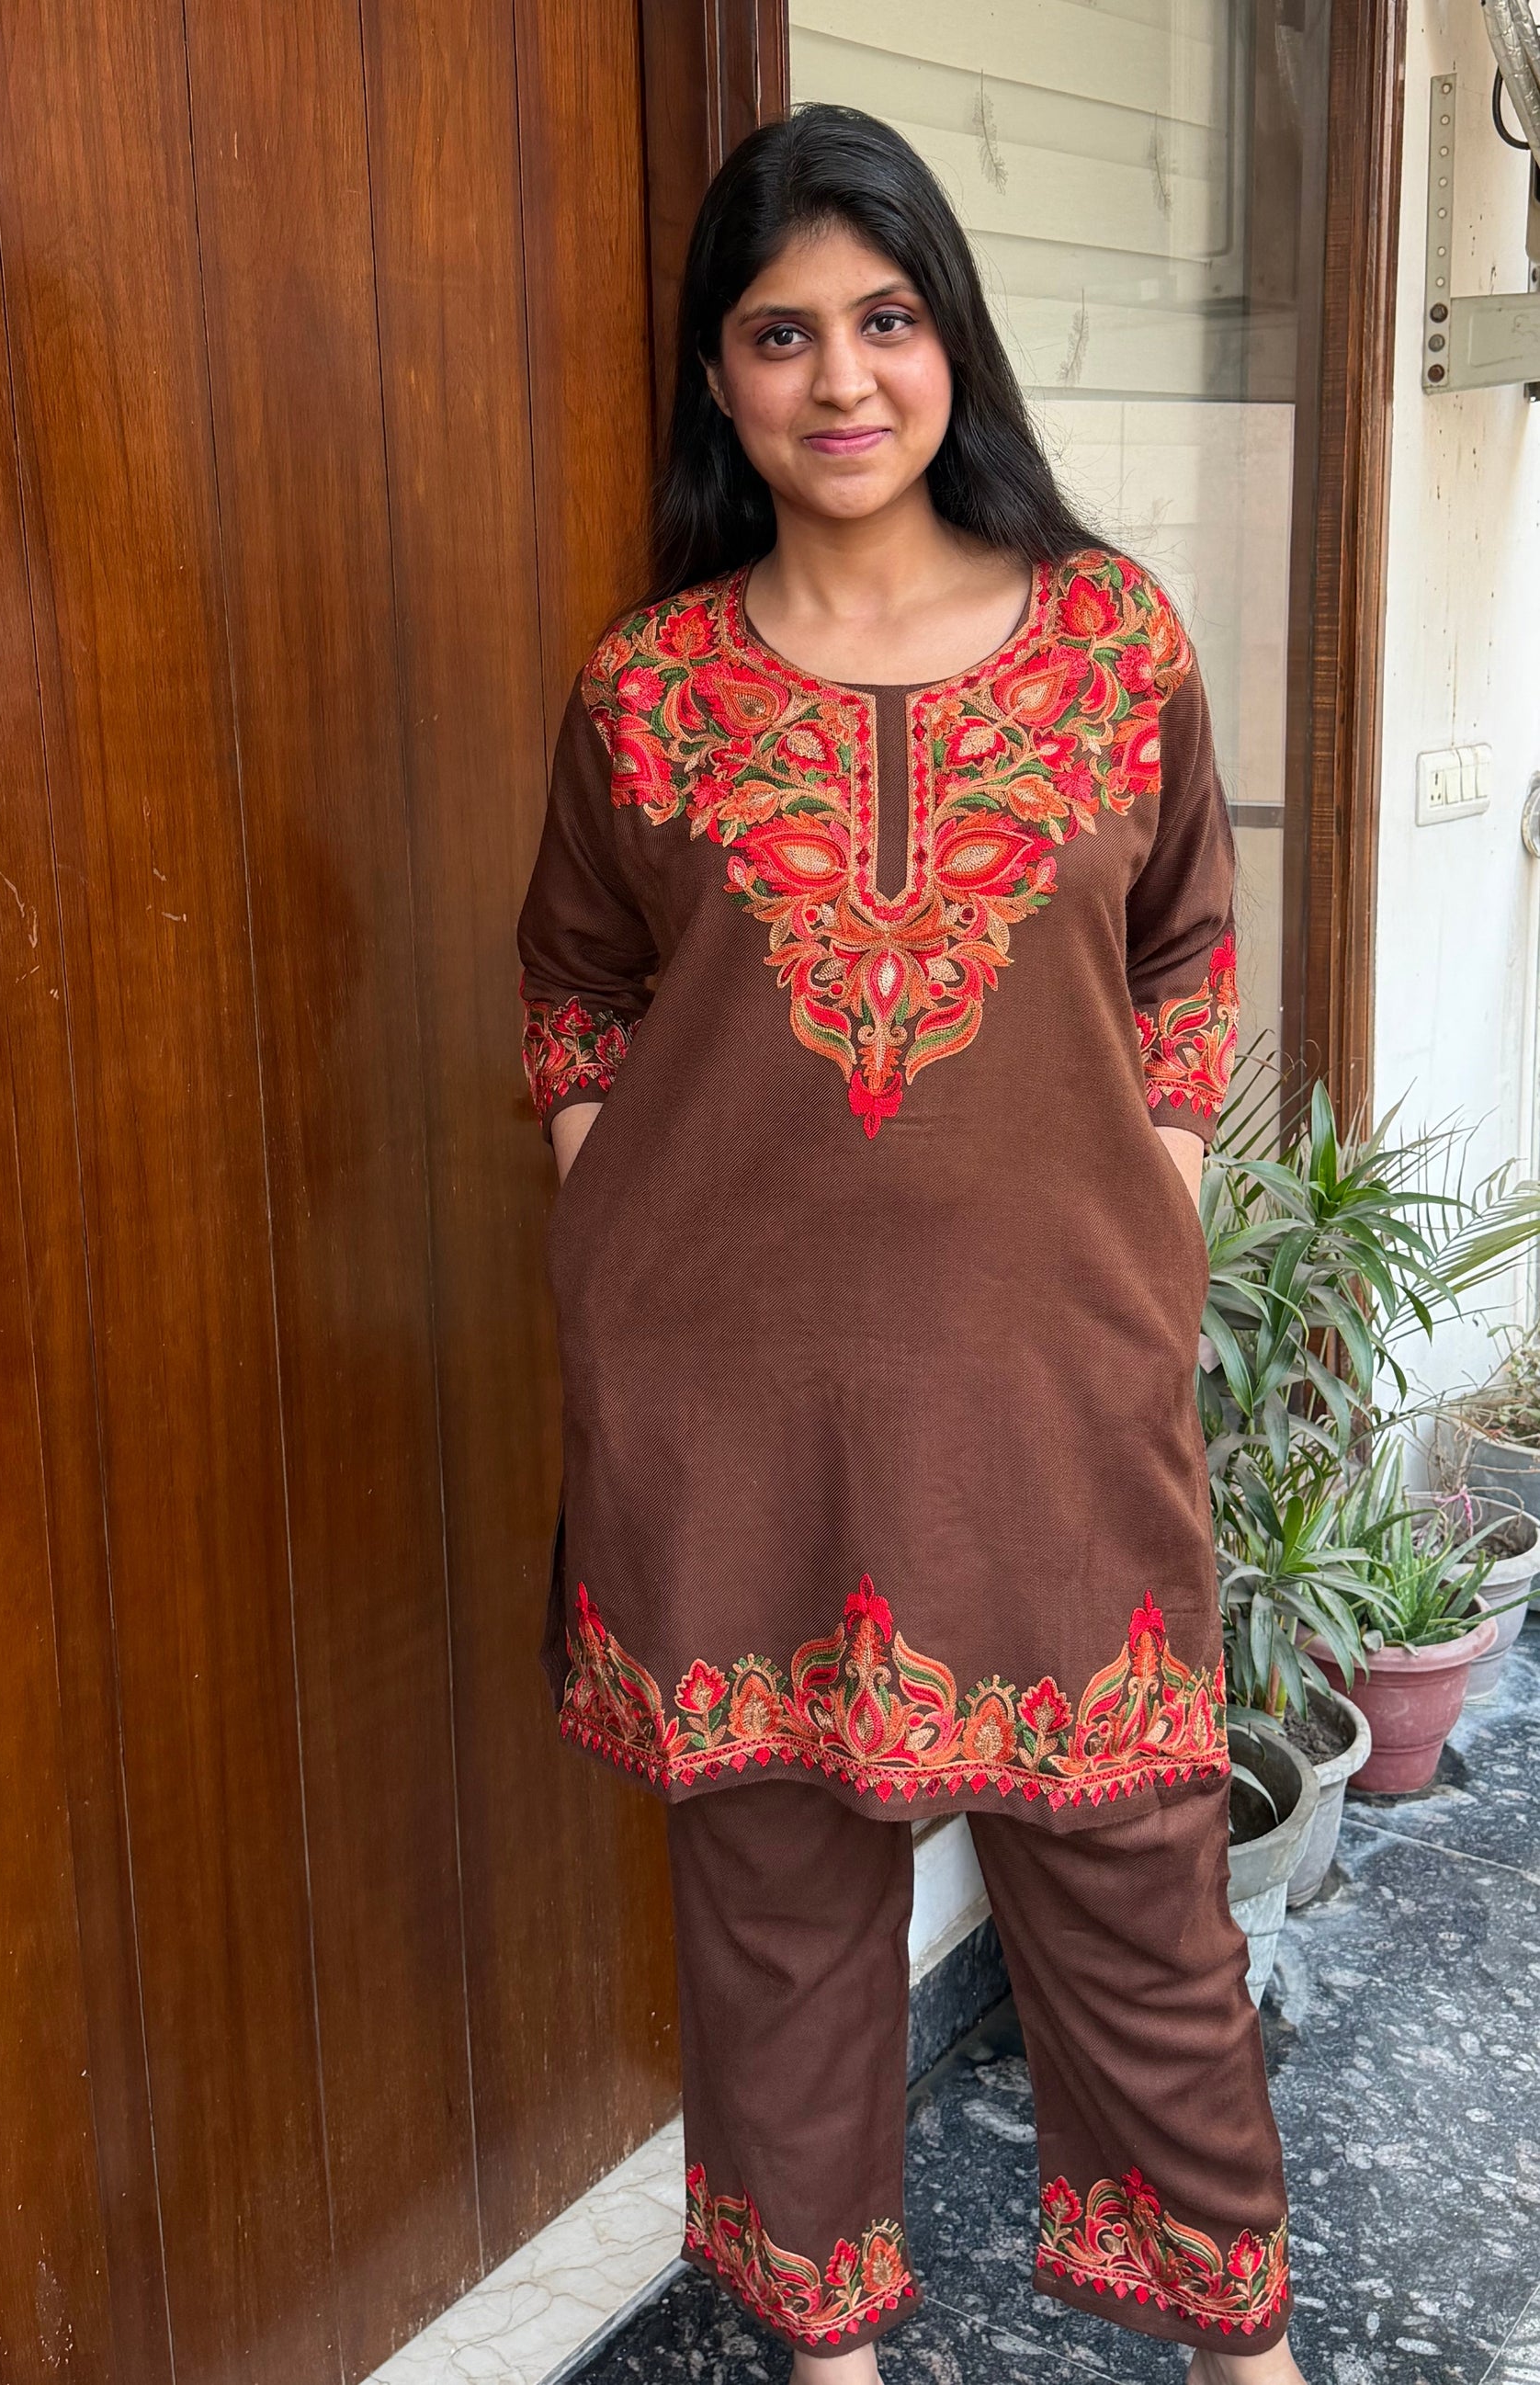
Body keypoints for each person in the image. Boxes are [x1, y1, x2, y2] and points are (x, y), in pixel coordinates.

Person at [516, 103, 1297, 2385]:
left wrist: (1151, 1192)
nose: (840, 377)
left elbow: (1183, 945)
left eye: (884, 317)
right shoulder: (649, 688)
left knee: (1139, 1890)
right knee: (774, 1913)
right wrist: (624, 1228)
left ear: (952, 333)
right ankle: (827, 2358)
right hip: (731, 1414)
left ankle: (1243, 2354)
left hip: (1053, 1388)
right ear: (717, 372)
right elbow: (574, 985)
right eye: (780, 333)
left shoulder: (1107, 644)